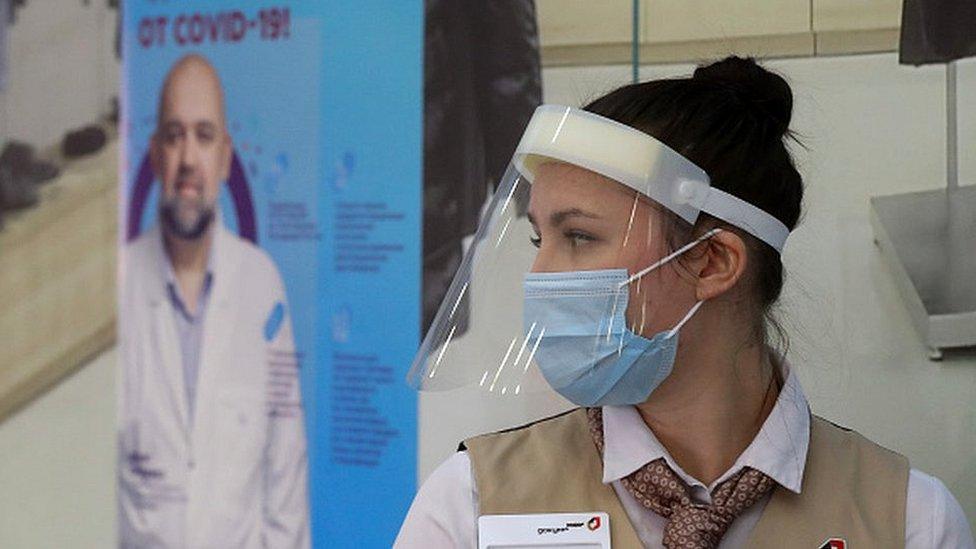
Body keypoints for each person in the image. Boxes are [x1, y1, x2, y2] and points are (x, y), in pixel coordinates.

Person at [396, 56, 974, 548]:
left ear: (713, 262)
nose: (540, 274)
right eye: (538, 239)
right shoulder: (470, 505)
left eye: (578, 237)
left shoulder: (908, 519)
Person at [118, 54, 309, 548]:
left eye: (203, 136)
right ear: (156, 154)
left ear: (225, 158)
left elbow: (285, 470)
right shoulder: (117, 290)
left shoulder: (262, 286)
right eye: (174, 135)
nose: (188, 160)